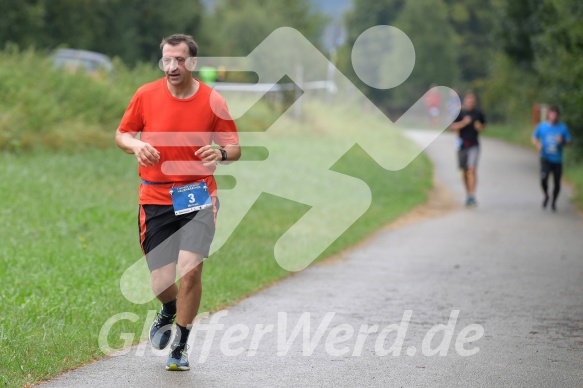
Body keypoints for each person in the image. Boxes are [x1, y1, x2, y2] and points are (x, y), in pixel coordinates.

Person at [115, 34, 240, 371]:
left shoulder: (213, 101)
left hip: (197, 194)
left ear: (193, 62)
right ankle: (168, 310)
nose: (172, 66)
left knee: (191, 270)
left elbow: (234, 147)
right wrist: (135, 146)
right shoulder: (145, 95)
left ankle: (181, 346)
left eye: (179, 60)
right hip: (154, 196)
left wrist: (221, 152)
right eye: (167, 60)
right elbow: (122, 133)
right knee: (159, 281)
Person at [449, 91, 486, 206]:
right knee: (465, 170)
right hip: (462, 145)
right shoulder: (460, 113)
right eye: (468, 101)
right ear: (465, 101)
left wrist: (480, 127)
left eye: (472, 101)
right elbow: (452, 127)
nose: (470, 103)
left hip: (474, 145)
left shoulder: (478, 113)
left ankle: (472, 195)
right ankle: (468, 193)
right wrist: (463, 123)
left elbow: (484, 125)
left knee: (472, 168)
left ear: (474, 102)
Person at [531, 106, 572, 211]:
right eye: (551, 114)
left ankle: (554, 201)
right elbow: (534, 137)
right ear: (548, 115)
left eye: (555, 114)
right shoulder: (542, 126)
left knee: (557, 183)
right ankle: (546, 195)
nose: (553, 116)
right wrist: (537, 144)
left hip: (557, 160)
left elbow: (569, 143)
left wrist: (562, 141)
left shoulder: (563, 128)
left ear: (558, 116)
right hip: (545, 158)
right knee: (543, 179)